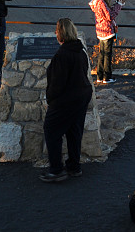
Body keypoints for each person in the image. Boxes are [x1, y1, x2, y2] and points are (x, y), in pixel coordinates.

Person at [40, 18, 93, 182]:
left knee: (51, 130)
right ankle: (74, 167)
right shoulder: (80, 51)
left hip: (66, 100)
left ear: (60, 33)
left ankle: (56, 170)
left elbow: (57, 83)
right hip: (82, 96)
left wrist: (50, 99)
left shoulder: (62, 55)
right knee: (74, 131)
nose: (56, 33)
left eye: (57, 31)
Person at [88, 0, 124, 84]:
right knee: (107, 55)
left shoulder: (97, 1)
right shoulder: (102, 3)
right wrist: (119, 5)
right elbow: (110, 16)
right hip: (107, 32)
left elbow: (105, 12)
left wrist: (115, 5)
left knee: (102, 54)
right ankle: (107, 78)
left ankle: (99, 77)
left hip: (100, 31)